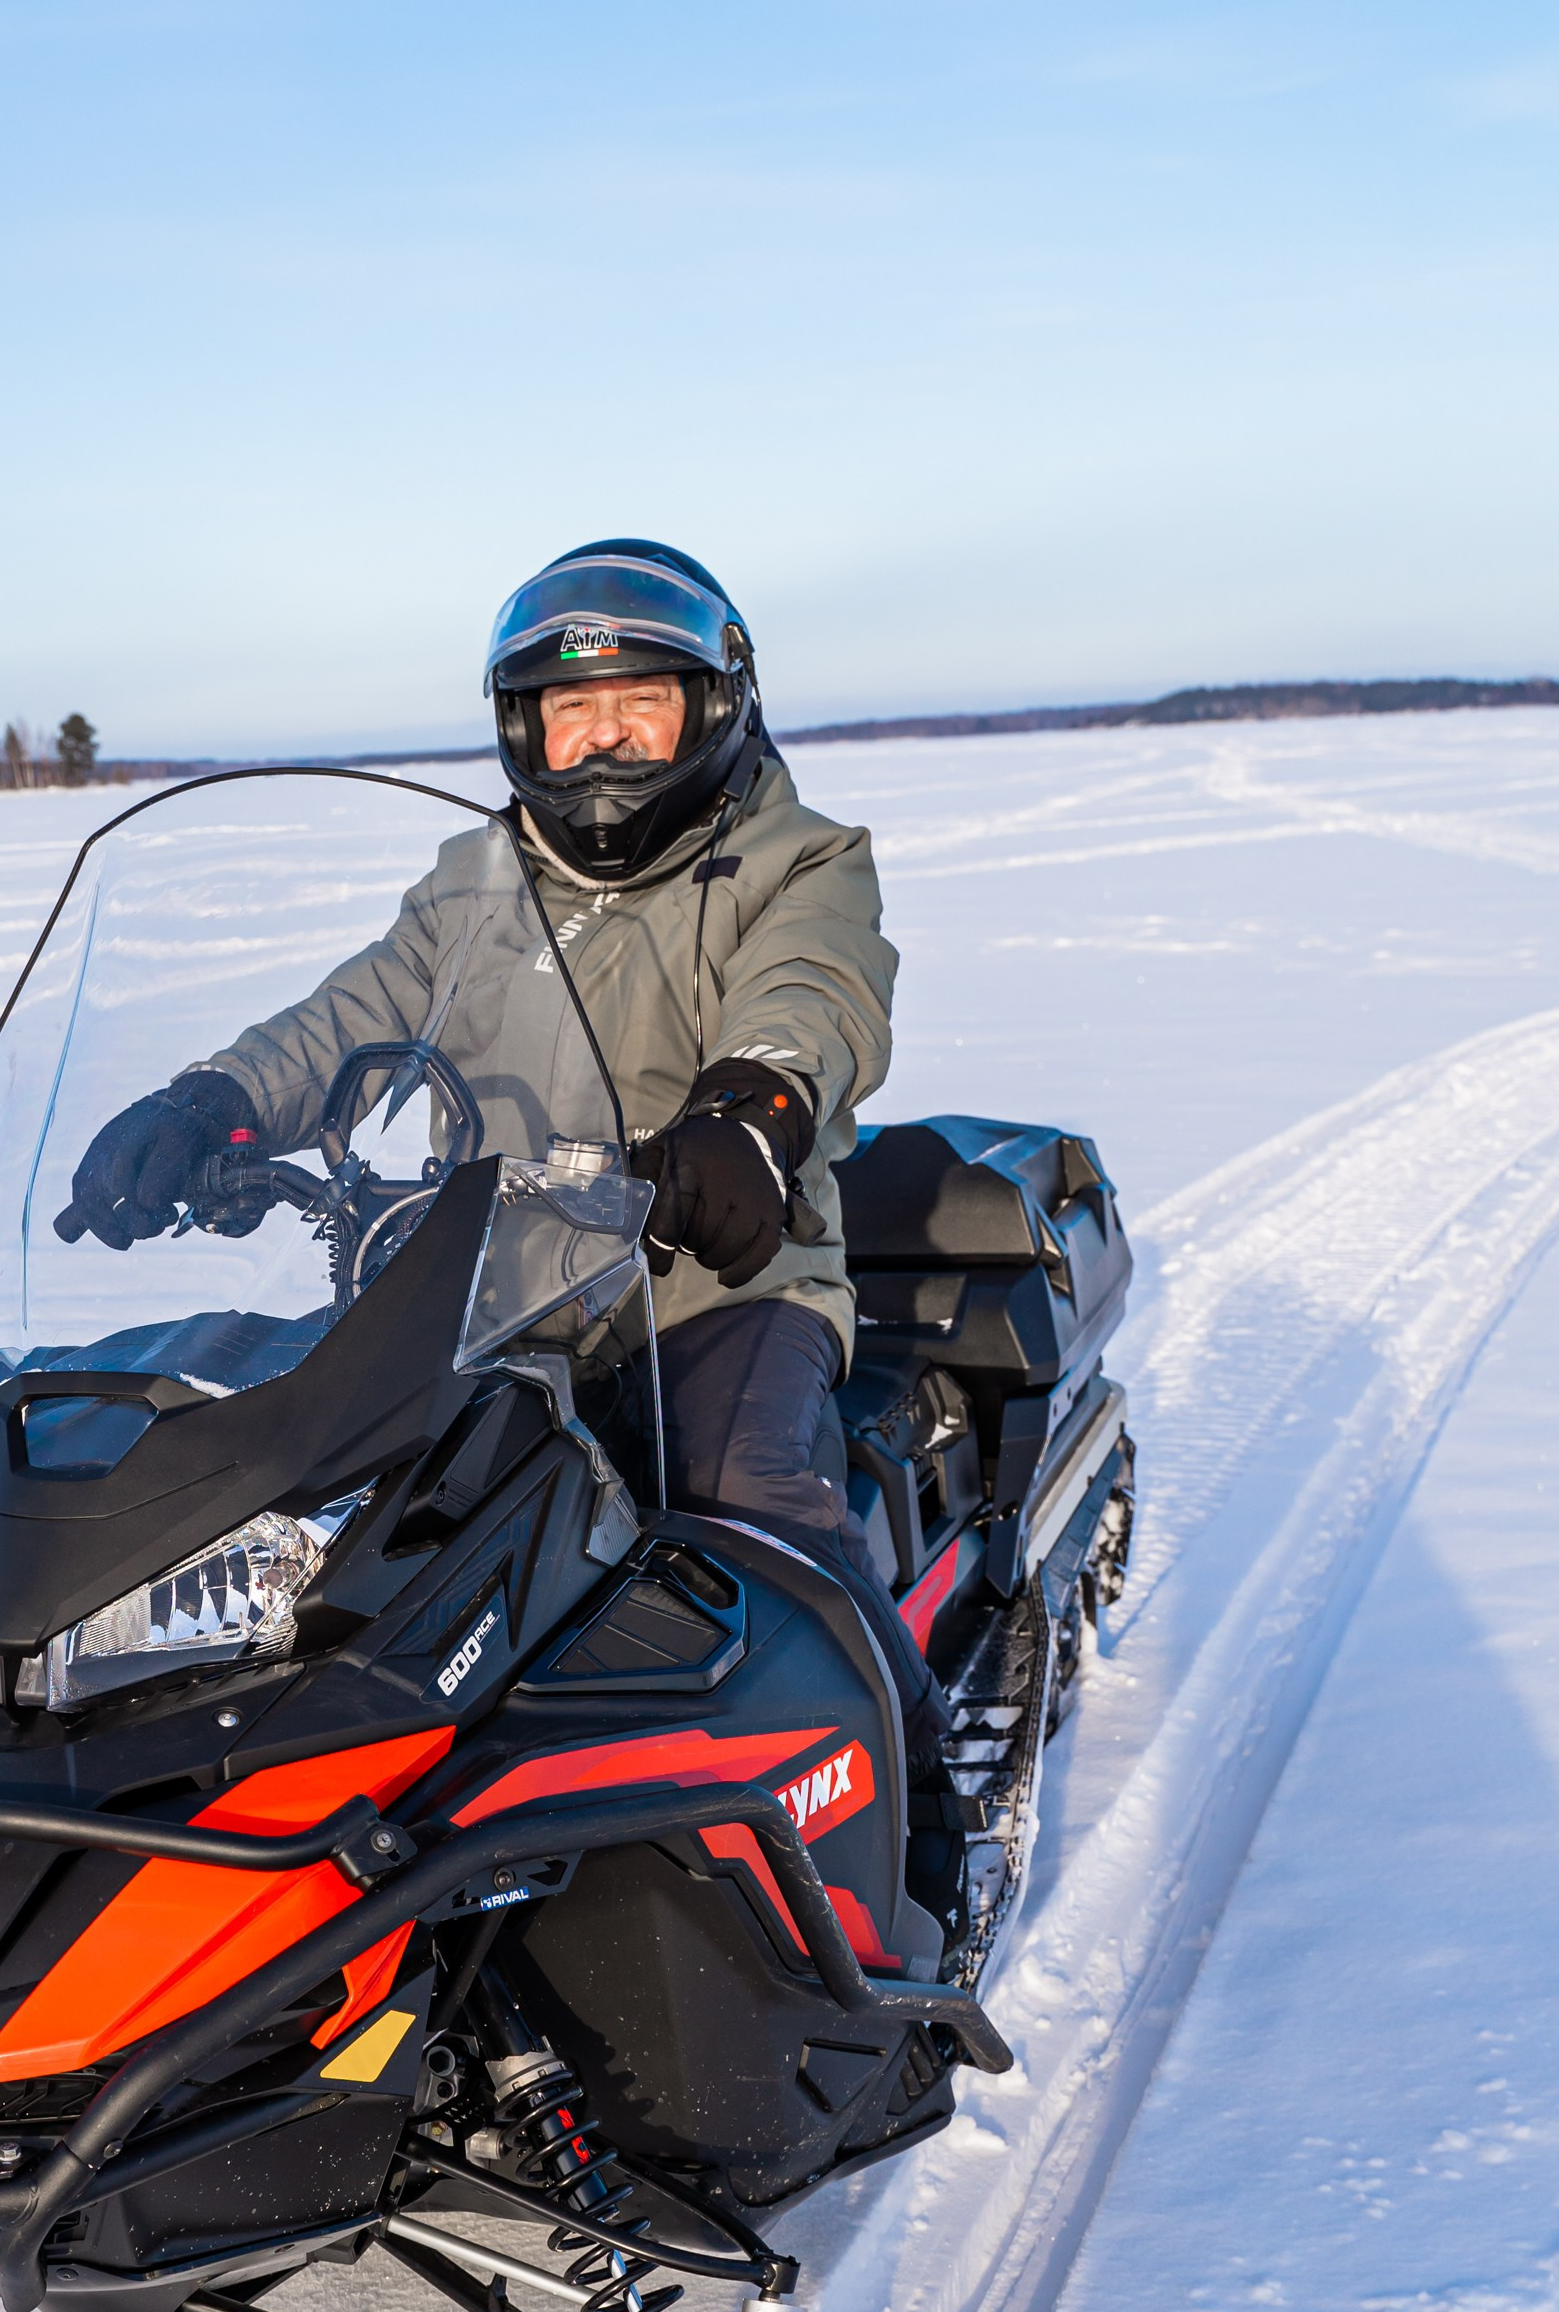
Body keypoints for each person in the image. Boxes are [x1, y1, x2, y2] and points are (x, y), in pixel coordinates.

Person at [56, 537, 941, 1763]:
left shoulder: (799, 859)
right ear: (522, 729)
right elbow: (353, 1014)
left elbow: (813, 996)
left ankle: (918, 1792)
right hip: (469, 1292)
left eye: (642, 703)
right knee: (287, 1521)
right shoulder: (476, 881)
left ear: (718, 707)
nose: (607, 742)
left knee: (753, 1507)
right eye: (572, 713)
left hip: (710, 1282)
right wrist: (212, 1104)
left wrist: (752, 1116)